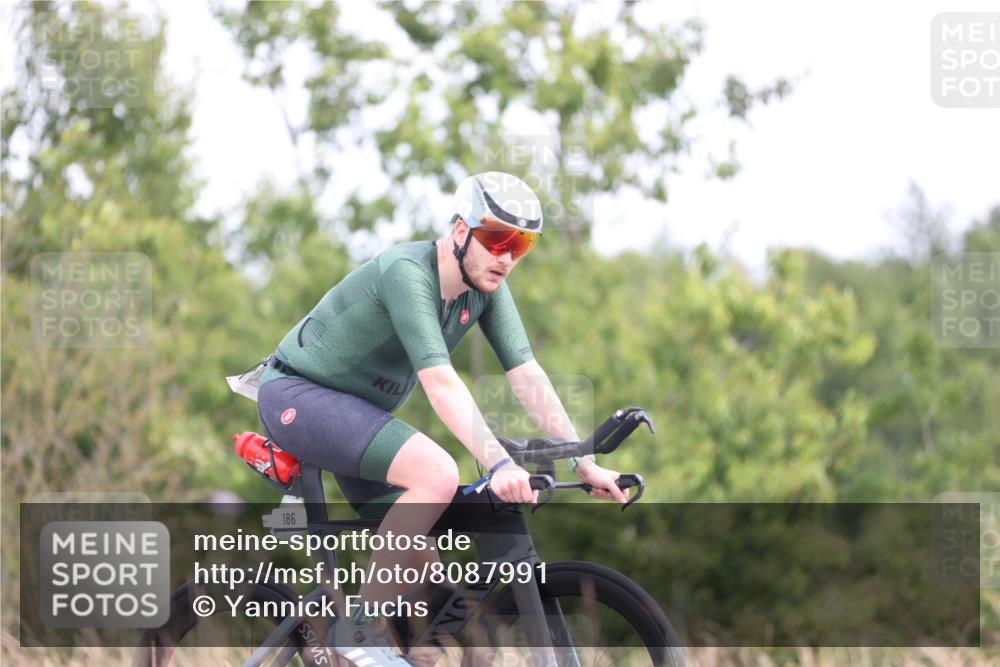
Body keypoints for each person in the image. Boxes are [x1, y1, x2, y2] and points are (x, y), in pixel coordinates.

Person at [255, 171, 629, 666]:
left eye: (523, 245)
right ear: (460, 232)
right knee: (437, 473)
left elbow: (526, 375)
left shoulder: (487, 289)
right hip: (299, 396)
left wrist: (583, 461)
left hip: (358, 418)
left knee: (426, 608)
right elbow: (440, 382)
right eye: (497, 238)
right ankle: (357, 633)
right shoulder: (407, 272)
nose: (507, 257)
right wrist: (498, 464)